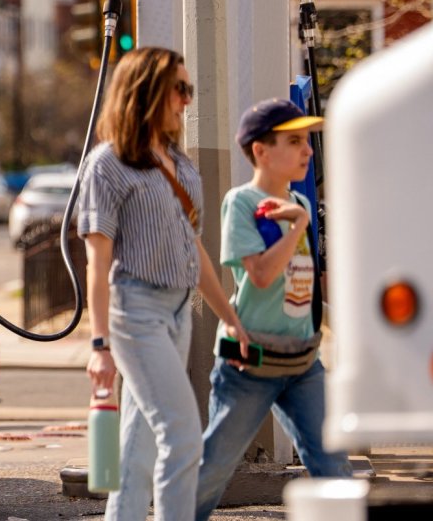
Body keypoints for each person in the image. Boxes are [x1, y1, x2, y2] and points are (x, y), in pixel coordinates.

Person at [77, 47, 246, 521]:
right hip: (135, 311)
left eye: (189, 89)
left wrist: (231, 318)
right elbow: (97, 261)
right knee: (182, 434)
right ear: (148, 90)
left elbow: (196, 251)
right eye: (181, 89)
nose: (187, 100)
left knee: (138, 446)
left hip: (178, 310)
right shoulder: (108, 164)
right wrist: (99, 345)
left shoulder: (178, 161)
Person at [195, 99, 352, 521]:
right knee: (213, 469)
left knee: (334, 468)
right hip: (251, 364)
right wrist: (299, 224)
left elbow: (302, 282)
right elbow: (261, 275)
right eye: (294, 141)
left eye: (307, 141)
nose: (308, 151)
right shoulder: (242, 203)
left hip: (303, 362)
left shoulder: (298, 200)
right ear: (261, 151)